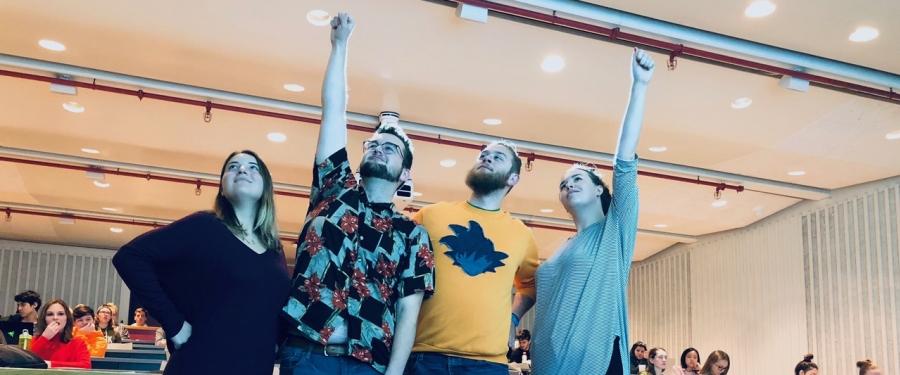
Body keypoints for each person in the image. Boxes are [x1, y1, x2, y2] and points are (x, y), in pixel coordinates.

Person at [278, 12, 434, 375]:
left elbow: (407, 315)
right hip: (307, 354)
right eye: (373, 144)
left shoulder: (413, 235)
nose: (378, 148)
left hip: (369, 365)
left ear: (405, 173)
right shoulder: (334, 189)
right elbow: (334, 110)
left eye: (390, 148)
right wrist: (340, 46)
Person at [530, 48, 655, 375]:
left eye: (577, 178)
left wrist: (638, 86)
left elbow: (624, 161)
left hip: (595, 362)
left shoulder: (615, 231)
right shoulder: (561, 248)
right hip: (548, 365)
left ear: (600, 188)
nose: (568, 184)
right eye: (563, 182)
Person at [113, 149, 291, 374]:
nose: (243, 169)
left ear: (265, 187)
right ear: (222, 189)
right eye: (233, 167)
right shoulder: (204, 226)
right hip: (201, 362)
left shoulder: (275, 249)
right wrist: (174, 324)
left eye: (253, 167)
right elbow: (129, 257)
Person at [407, 134, 540, 375]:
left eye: (497, 157)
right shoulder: (430, 216)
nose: (486, 158)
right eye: (483, 155)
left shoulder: (521, 234)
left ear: (513, 178)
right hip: (425, 356)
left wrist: (513, 318)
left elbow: (529, 286)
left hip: (488, 362)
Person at [30, 299, 91, 369]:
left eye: (60, 314)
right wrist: (44, 338)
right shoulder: (36, 340)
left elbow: (86, 366)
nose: (55, 318)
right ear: (44, 319)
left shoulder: (78, 342)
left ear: (67, 318)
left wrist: (50, 364)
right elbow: (28, 362)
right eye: (50, 314)